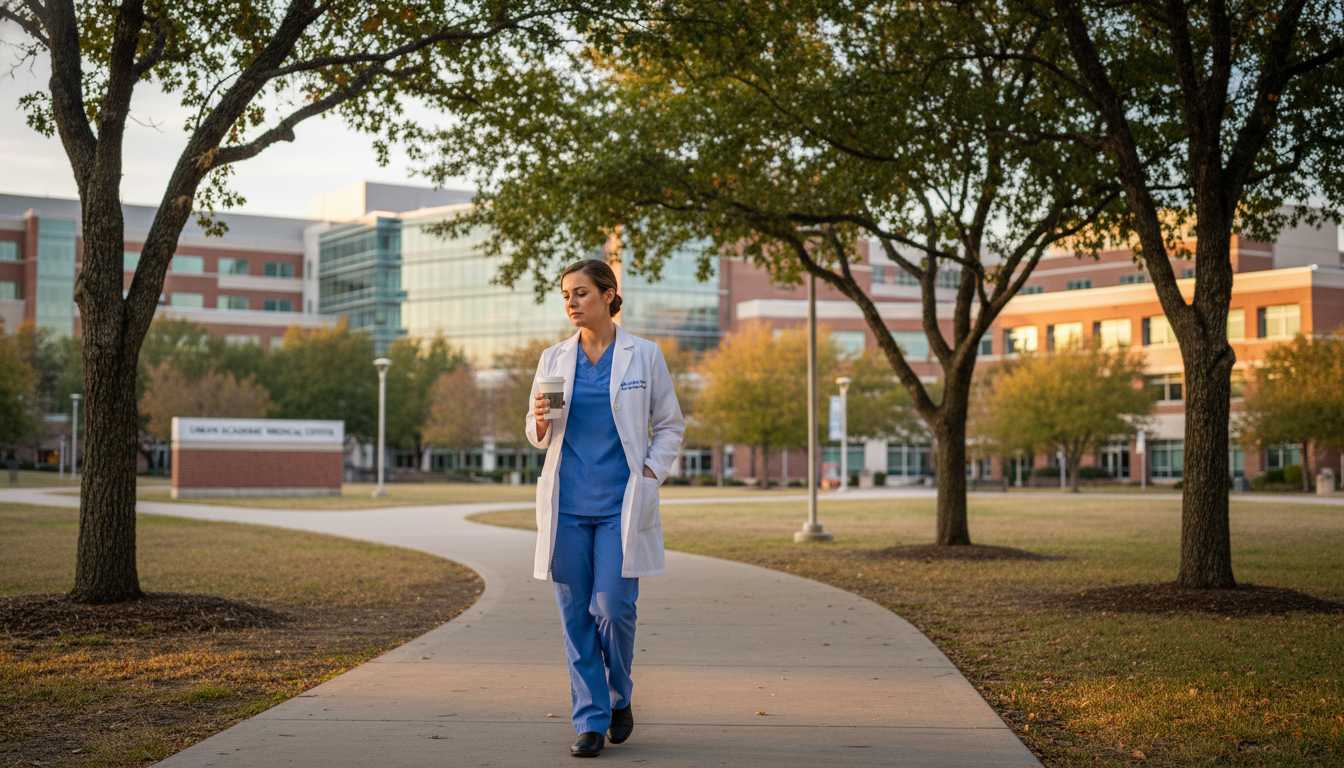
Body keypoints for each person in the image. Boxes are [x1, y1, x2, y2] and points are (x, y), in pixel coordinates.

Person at [526, 259, 685, 758]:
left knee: (613, 608)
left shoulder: (645, 355)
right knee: (576, 616)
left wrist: (650, 472)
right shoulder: (553, 358)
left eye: (580, 293)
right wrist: (538, 420)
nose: (571, 302)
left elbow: (670, 424)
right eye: (565, 295)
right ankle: (591, 719)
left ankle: (619, 696)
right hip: (567, 506)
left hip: (621, 504)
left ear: (609, 295)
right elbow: (537, 435)